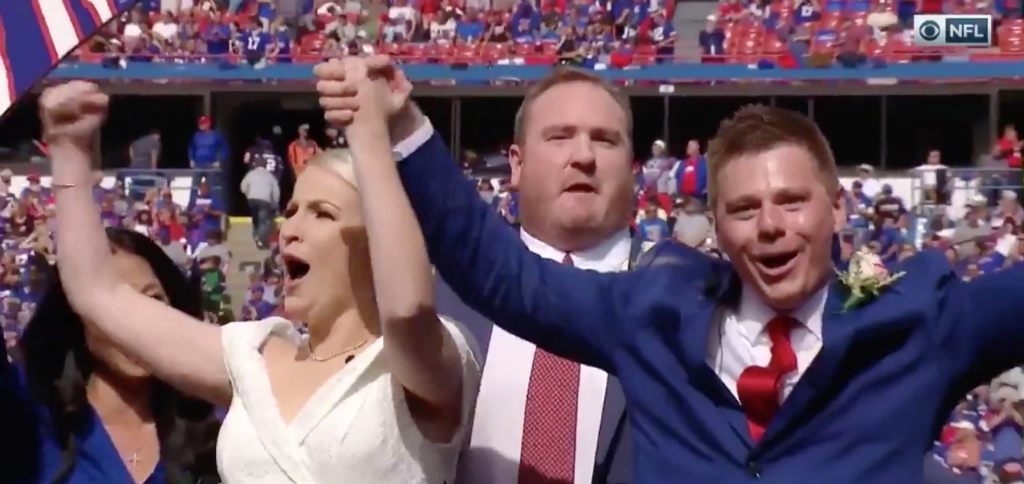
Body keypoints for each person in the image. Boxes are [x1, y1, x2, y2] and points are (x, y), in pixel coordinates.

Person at [315, 56, 1024, 483]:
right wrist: (404, 125)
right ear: (716, 229)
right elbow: (498, 270)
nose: (771, 224)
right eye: (745, 208)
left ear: (837, 210)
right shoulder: (653, 315)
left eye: (791, 202)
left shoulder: (918, 325)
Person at [39, 81, 481, 483]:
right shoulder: (253, 357)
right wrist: (69, 150)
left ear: (377, 240)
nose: (288, 228)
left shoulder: (434, 360)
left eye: (322, 213)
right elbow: (98, 293)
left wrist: (368, 137)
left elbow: (405, 312)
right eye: (290, 211)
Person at [423, 69, 647, 484]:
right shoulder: (443, 296)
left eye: (604, 139)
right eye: (559, 136)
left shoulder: (681, 299)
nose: (583, 156)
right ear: (517, 164)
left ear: (633, 169)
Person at [0, 228, 220, 484]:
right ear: (75, 313)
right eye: (114, 303)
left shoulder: (213, 434)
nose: (137, 320)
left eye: (153, 298)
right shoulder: (25, 415)